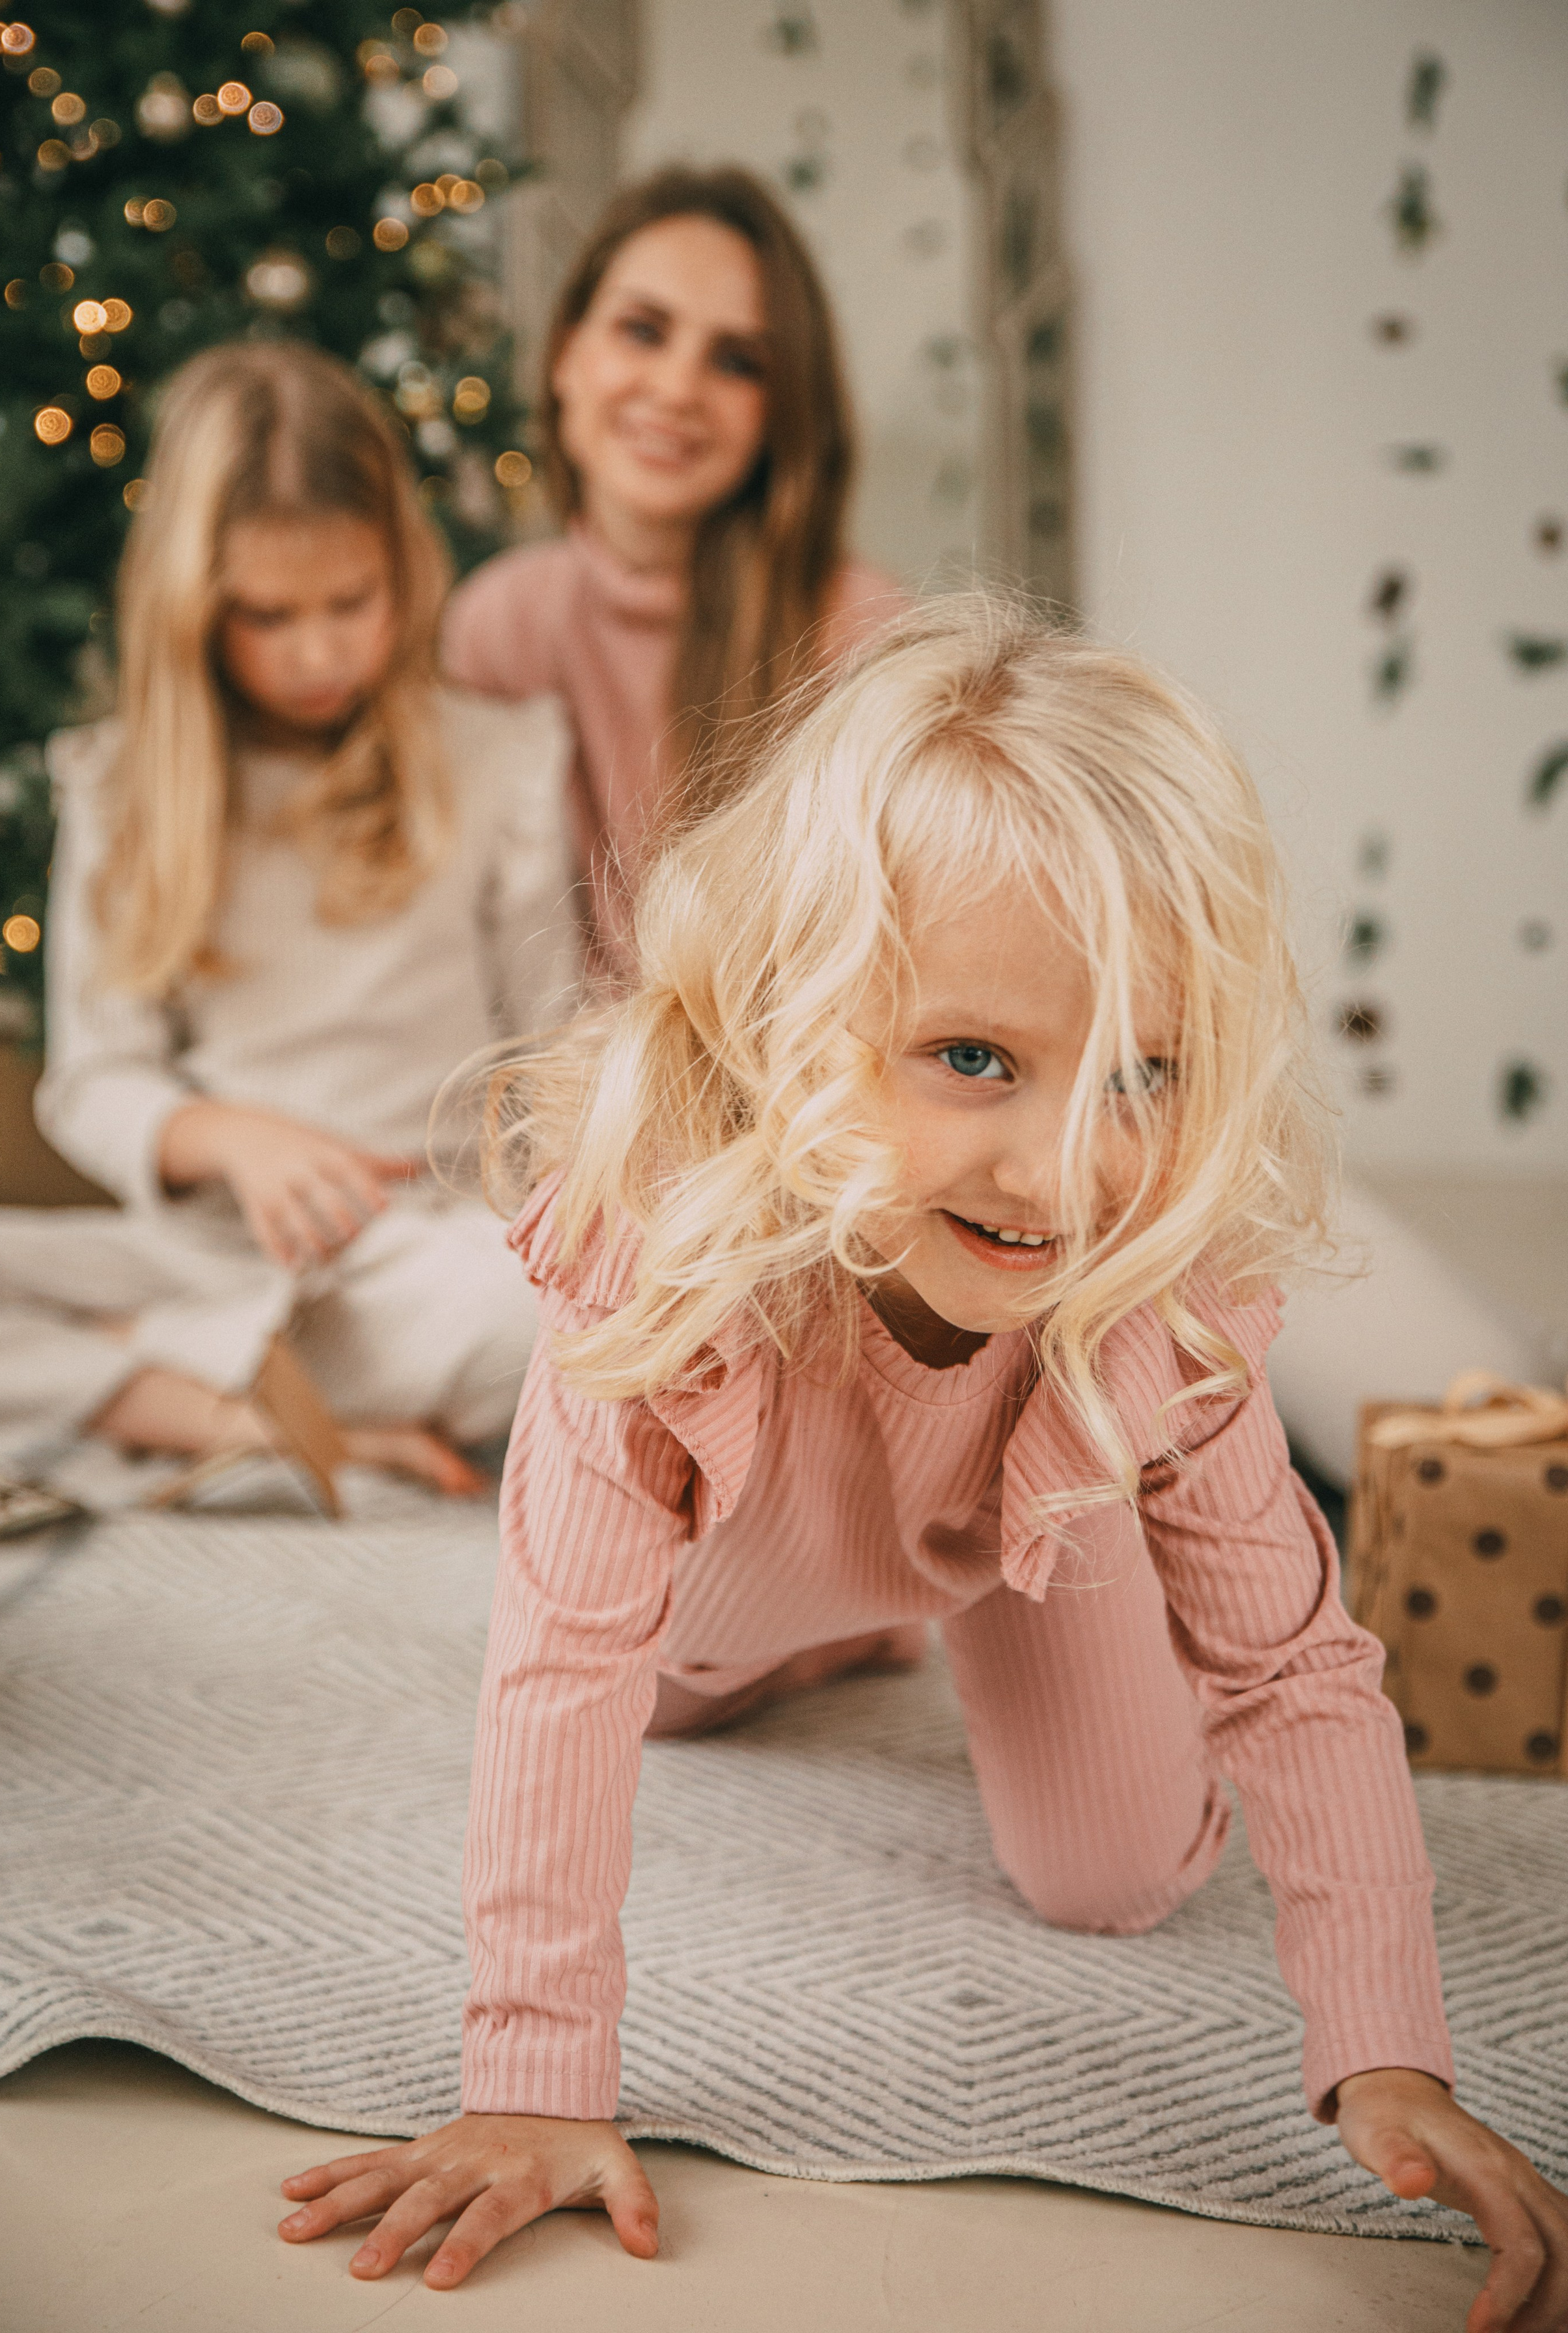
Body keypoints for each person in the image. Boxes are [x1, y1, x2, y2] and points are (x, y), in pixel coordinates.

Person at [279, 598, 1568, 2325]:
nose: (1057, 1172)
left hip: (1019, 1530)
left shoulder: (1144, 1302)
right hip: (735, 1582)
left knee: (1114, 1878)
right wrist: (534, 2078)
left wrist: (1390, 2051)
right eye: (975, 1060)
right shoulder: (674, 1266)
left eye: (1138, 1075)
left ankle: (934, 1603)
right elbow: (560, 1676)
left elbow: (1295, 1672)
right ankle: (849, 1626)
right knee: (671, 1693)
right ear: (801, 1029)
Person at [0, 342, 579, 1491]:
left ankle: (153, 1383)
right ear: (194, 605)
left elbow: (561, 1053)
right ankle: (218, 1411)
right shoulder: (119, 787)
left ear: (402, 576)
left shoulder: (501, 760)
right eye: (267, 614)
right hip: (196, 1255)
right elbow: (93, 1081)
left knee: (554, 1324)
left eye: (349, 603)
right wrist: (233, 1140)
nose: (317, 651)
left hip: (426, 1254)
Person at [441, 163, 906, 975]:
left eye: (736, 362)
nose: (677, 388)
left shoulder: (863, 635)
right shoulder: (497, 623)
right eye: (643, 331)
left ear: (783, 410)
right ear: (565, 355)